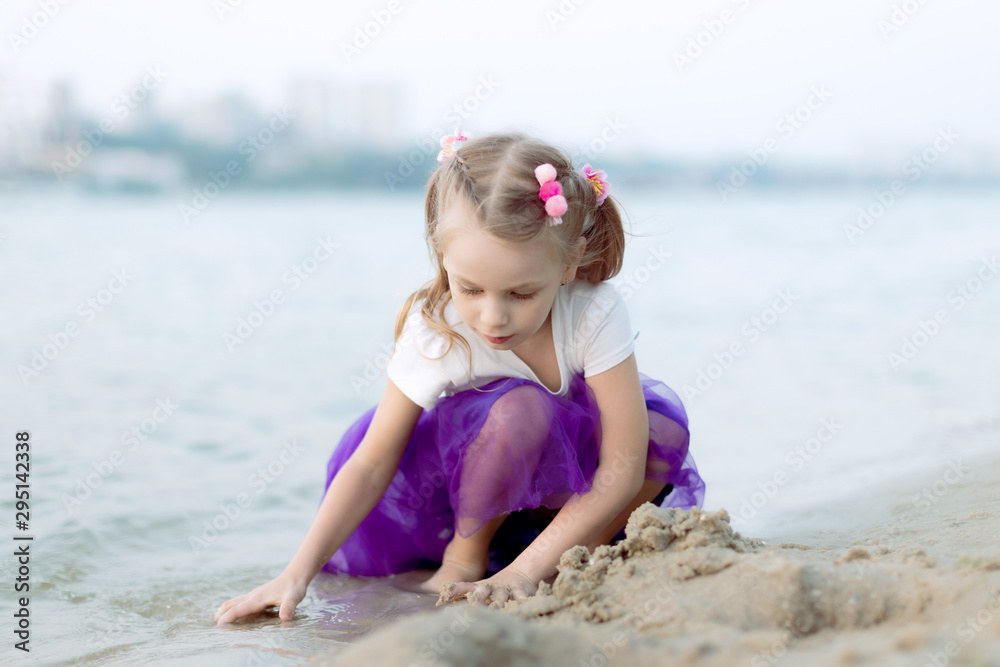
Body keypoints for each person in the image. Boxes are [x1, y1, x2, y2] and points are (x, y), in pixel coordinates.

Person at [214, 130, 705, 625]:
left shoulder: (592, 313)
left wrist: (524, 574)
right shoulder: (438, 330)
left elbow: (623, 466)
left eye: (520, 294)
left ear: (569, 263)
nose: (492, 318)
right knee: (523, 408)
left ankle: (563, 559)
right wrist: (295, 574)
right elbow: (370, 465)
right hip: (432, 501)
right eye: (469, 288)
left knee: (659, 430)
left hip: (532, 513)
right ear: (442, 255)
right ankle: (461, 564)